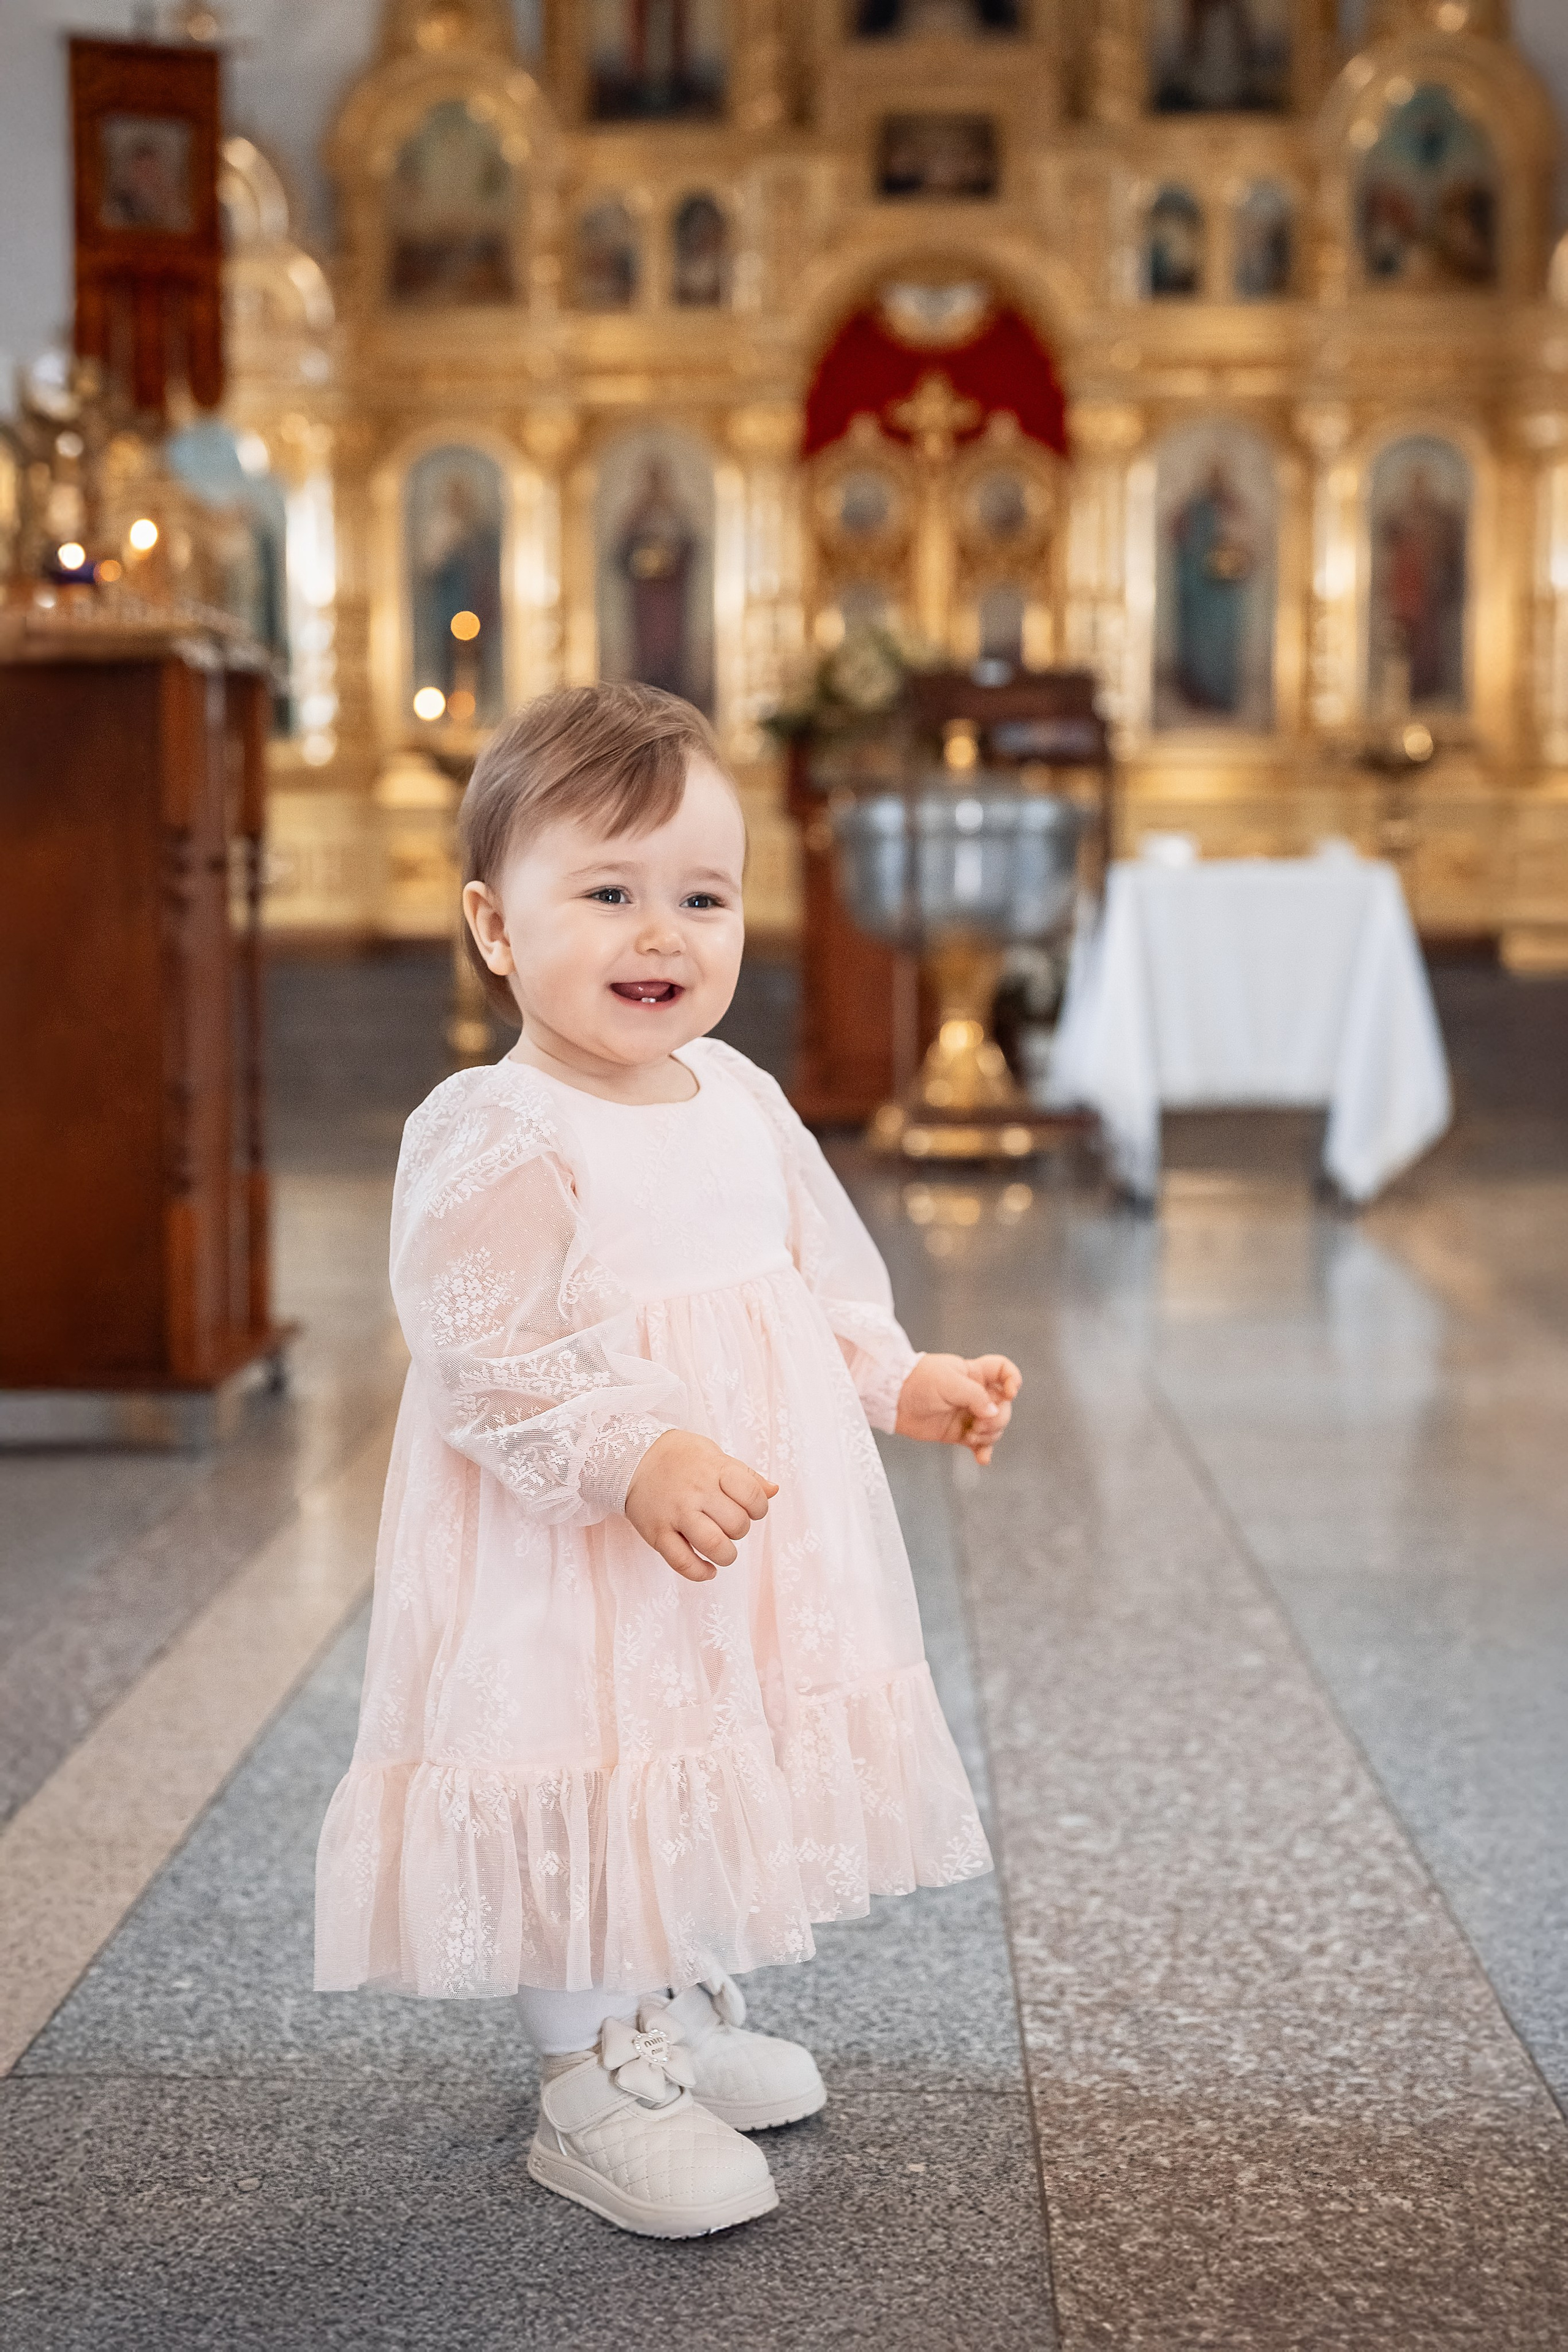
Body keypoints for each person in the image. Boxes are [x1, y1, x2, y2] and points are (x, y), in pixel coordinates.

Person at [315, 682, 1018, 2240]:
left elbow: (815, 1281)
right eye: (609, 894)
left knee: (697, 1740)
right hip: (573, 1540)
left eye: (701, 897)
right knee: (592, 1749)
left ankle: (665, 1995)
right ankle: (589, 2068)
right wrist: (628, 1454)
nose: (663, 936)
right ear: (496, 926)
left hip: (722, 1537)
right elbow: (483, 1353)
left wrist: (900, 1377)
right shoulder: (495, 1126)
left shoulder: (743, 1097)